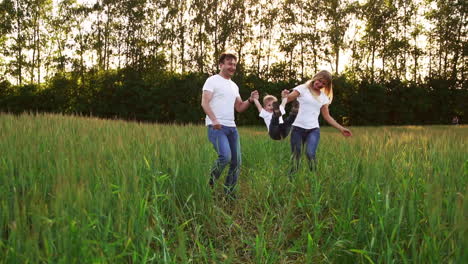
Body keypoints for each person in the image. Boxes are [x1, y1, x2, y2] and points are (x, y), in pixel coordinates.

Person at [201, 52, 259, 198]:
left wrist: (250, 100)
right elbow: (205, 102)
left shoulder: (234, 86)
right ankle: (209, 183)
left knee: (236, 162)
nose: (232, 67)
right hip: (217, 127)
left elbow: (239, 107)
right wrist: (214, 120)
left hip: (232, 128)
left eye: (234, 64)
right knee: (225, 157)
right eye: (229, 63)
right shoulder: (212, 80)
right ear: (221, 65)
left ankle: (229, 193)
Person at [283, 70, 352, 176]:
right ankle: (291, 179)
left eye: (324, 84)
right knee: (296, 156)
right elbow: (287, 100)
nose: (320, 84)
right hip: (297, 129)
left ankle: (314, 178)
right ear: (315, 77)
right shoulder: (302, 88)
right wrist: (284, 96)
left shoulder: (324, 98)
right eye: (319, 81)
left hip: (313, 130)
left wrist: (341, 128)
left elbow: (327, 116)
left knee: (310, 153)